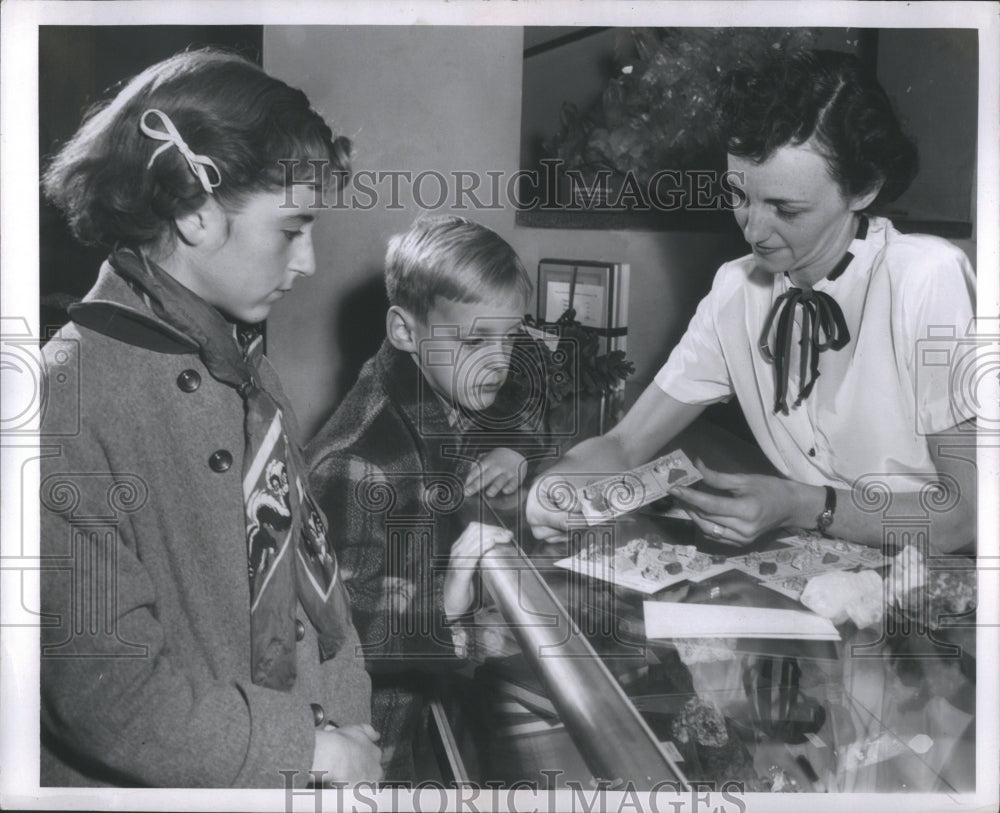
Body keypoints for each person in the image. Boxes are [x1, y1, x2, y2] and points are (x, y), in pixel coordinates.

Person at [39, 49, 381, 787]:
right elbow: (110, 699)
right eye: (291, 229)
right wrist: (312, 749)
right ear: (195, 212)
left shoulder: (245, 368)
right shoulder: (62, 399)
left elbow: (311, 586)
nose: (311, 260)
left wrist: (350, 722)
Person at [527, 49, 977, 554]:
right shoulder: (736, 290)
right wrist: (555, 486)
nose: (755, 231)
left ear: (864, 189)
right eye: (739, 196)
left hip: (936, 590)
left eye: (786, 208)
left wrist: (803, 504)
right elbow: (626, 444)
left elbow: (964, 518)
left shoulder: (925, 278)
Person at [306, 215, 539, 780]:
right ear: (405, 331)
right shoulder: (359, 462)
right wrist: (451, 602)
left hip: (420, 698)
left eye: (508, 337)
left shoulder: (437, 380)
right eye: (476, 340)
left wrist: (517, 446)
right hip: (368, 732)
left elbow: (520, 390)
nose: (497, 361)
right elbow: (345, 636)